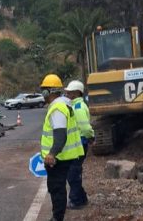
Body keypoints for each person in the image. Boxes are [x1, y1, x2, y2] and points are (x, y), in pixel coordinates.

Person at [39, 74, 85, 221]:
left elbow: (60, 134)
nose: (42, 94)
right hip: (65, 156)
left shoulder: (57, 108)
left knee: (57, 189)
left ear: (49, 92)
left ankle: (57, 218)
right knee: (58, 187)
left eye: (43, 90)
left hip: (58, 158)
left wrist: (52, 153)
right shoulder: (65, 104)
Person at [65, 80, 94, 210]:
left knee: (73, 173)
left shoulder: (77, 107)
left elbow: (85, 127)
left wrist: (90, 136)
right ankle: (82, 198)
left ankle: (76, 200)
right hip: (78, 144)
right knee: (73, 172)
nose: (67, 93)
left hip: (80, 144)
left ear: (77, 92)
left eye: (70, 92)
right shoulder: (76, 105)